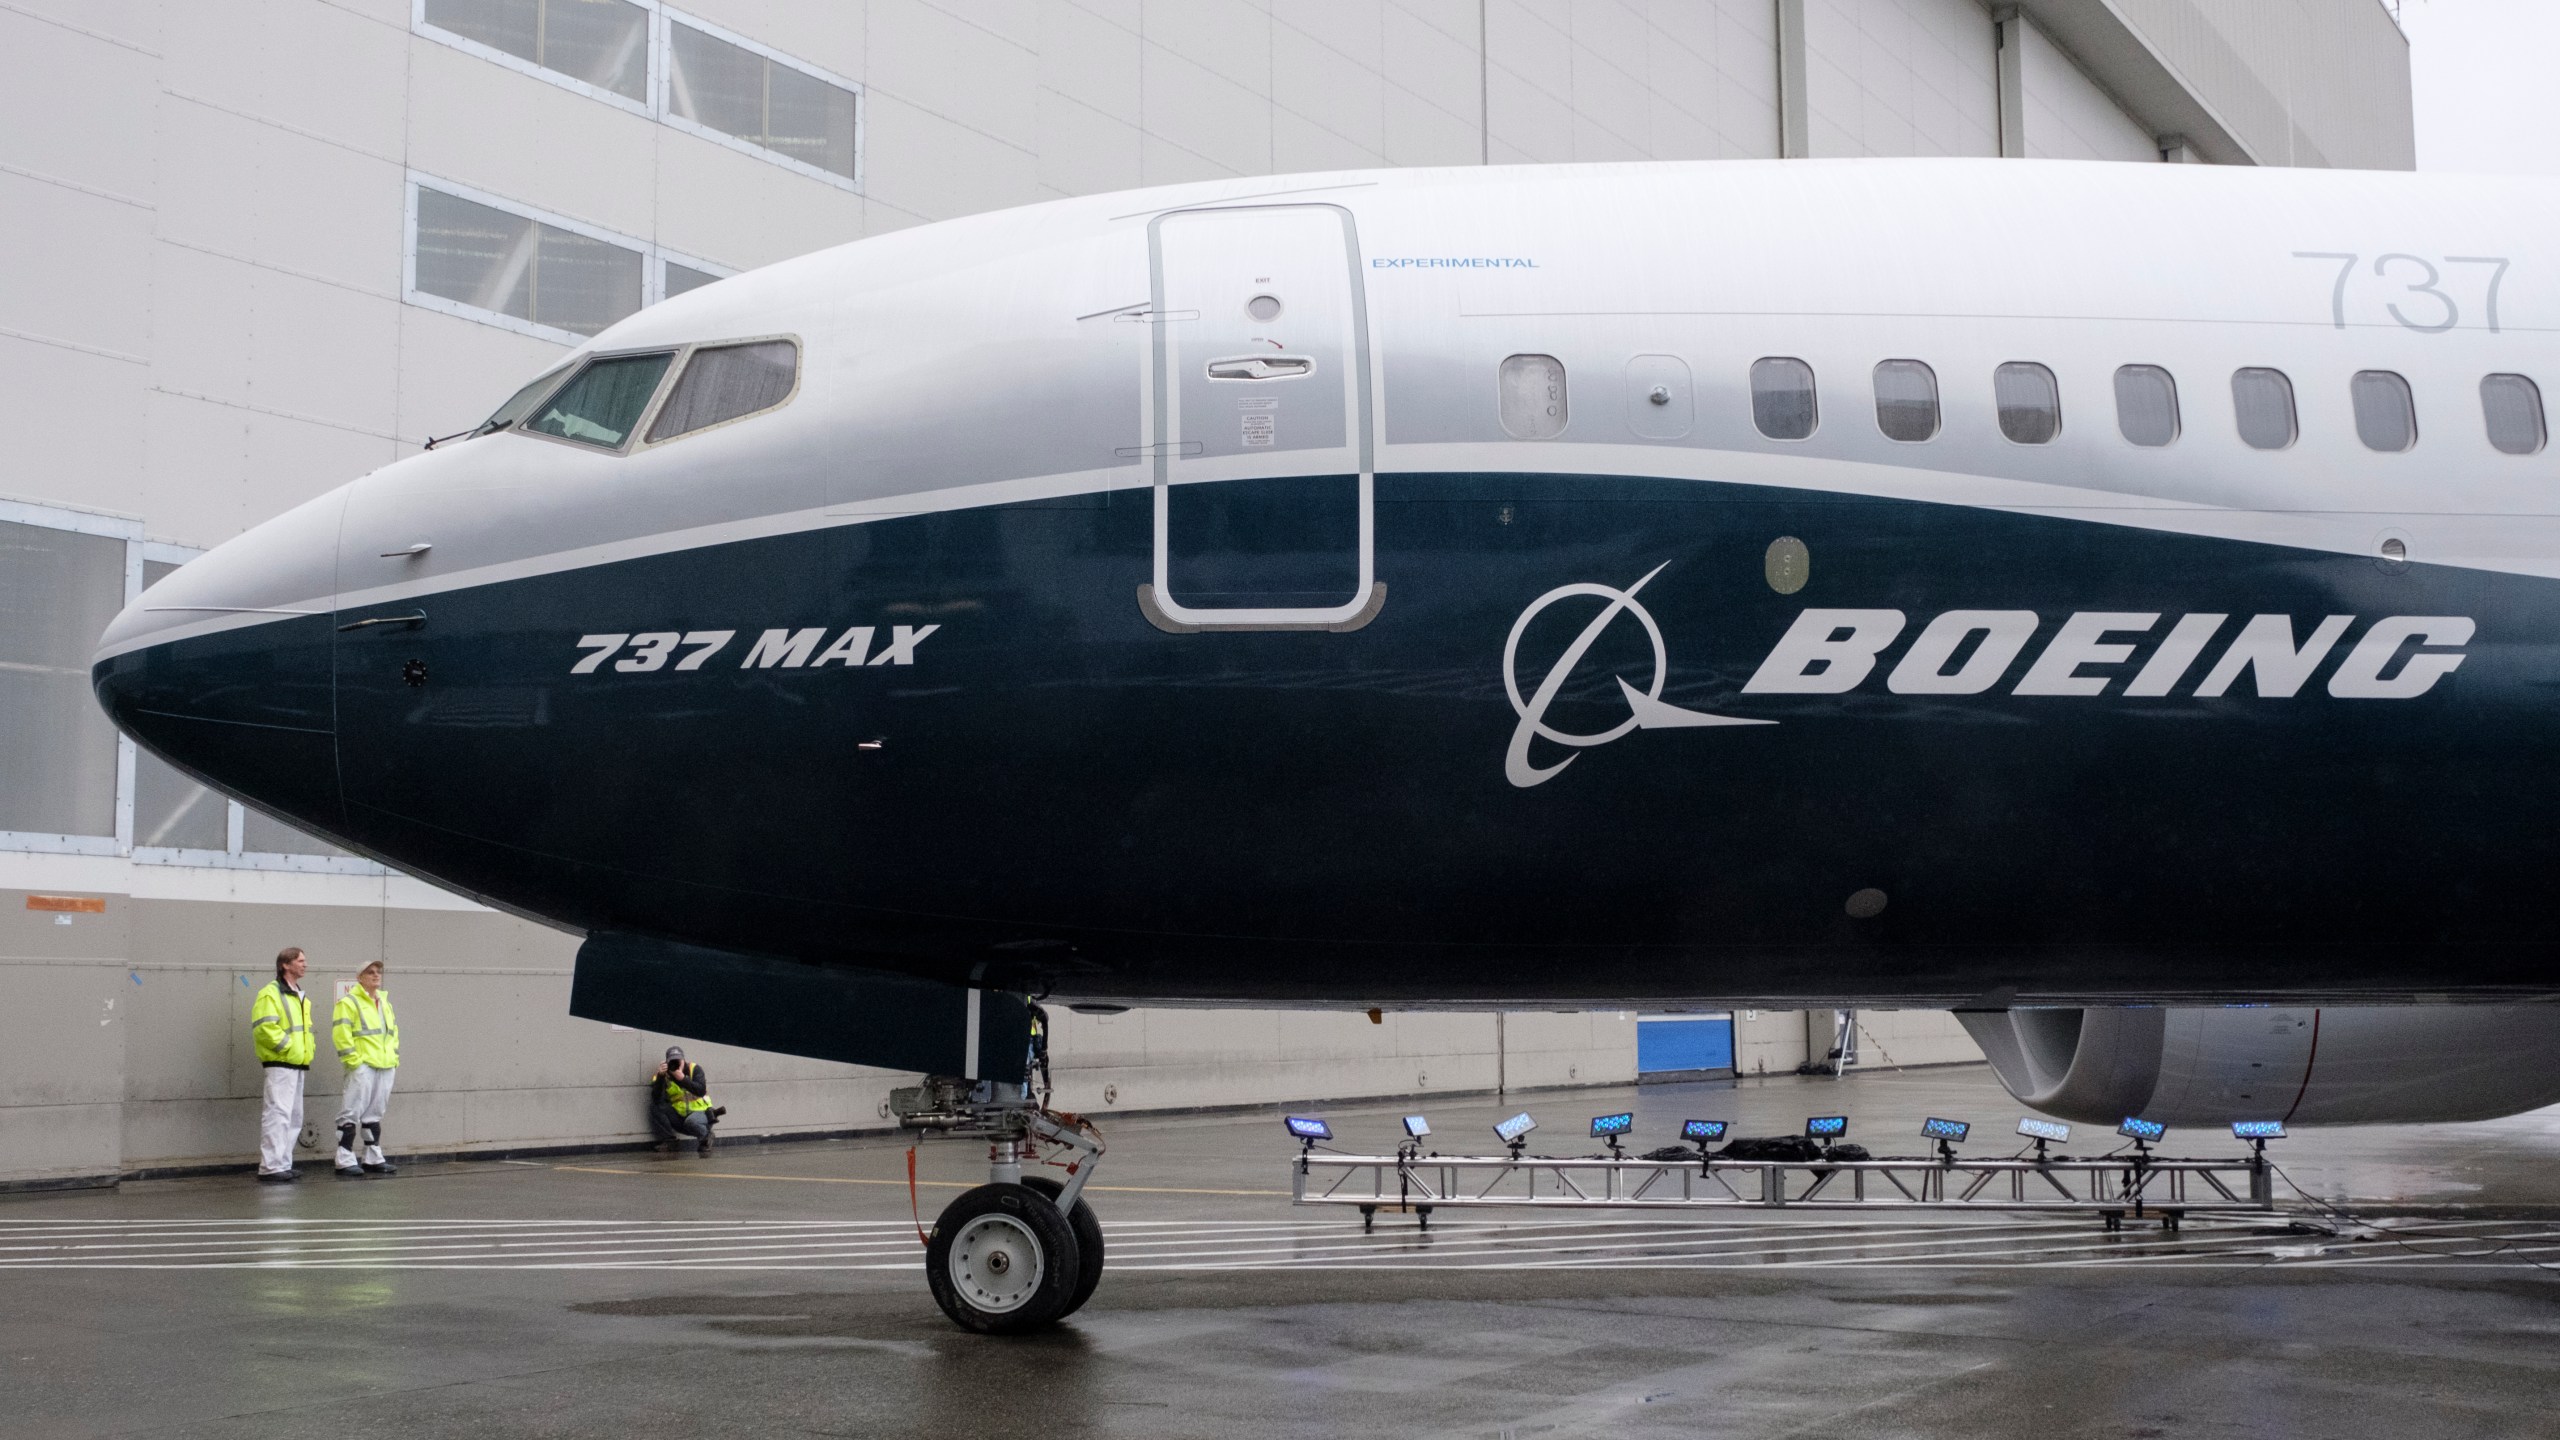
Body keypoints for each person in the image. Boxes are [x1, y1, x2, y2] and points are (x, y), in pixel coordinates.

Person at [249, 947, 316, 1183]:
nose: (305, 964)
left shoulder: (298, 994)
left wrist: (302, 1051)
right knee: (277, 1113)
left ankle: (282, 1163)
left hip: (296, 1063)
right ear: (285, 965)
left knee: (293, 1116)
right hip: (281, 1063)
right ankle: (270, 1166)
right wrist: (289, 1048)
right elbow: (264, 1028)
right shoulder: (271, 993)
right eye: (300, 961)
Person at [331, 960, 401, 1179]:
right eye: (370, 972)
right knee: (351, 1110)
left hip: (385, 1065)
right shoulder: (349, 1002)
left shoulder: (385, 1002)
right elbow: (341, 1034)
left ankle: (372, 1157)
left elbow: (392, 1033)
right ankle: (344, 1158)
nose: (376, 975)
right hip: (363, 1065)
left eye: (378, 972)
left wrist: (393, 1057)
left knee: (375, 1112)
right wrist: (354, 1061)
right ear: (359, 977)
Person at [648, 1047, 720, 1155]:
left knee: (691, 1121)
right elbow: (657, 1098)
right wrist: (661, 1077)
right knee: (656, 1107)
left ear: (683, 1060)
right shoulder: (664, 1074)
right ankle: (670, 1141)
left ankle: (706, 1137)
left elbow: (700, 1090)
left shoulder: (694, 1069)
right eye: (673, 1061)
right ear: (667, 1062)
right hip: (680, 1117)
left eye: (678, 1061)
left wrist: (682, 1079)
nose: (676, 1064)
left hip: (702, 1114)